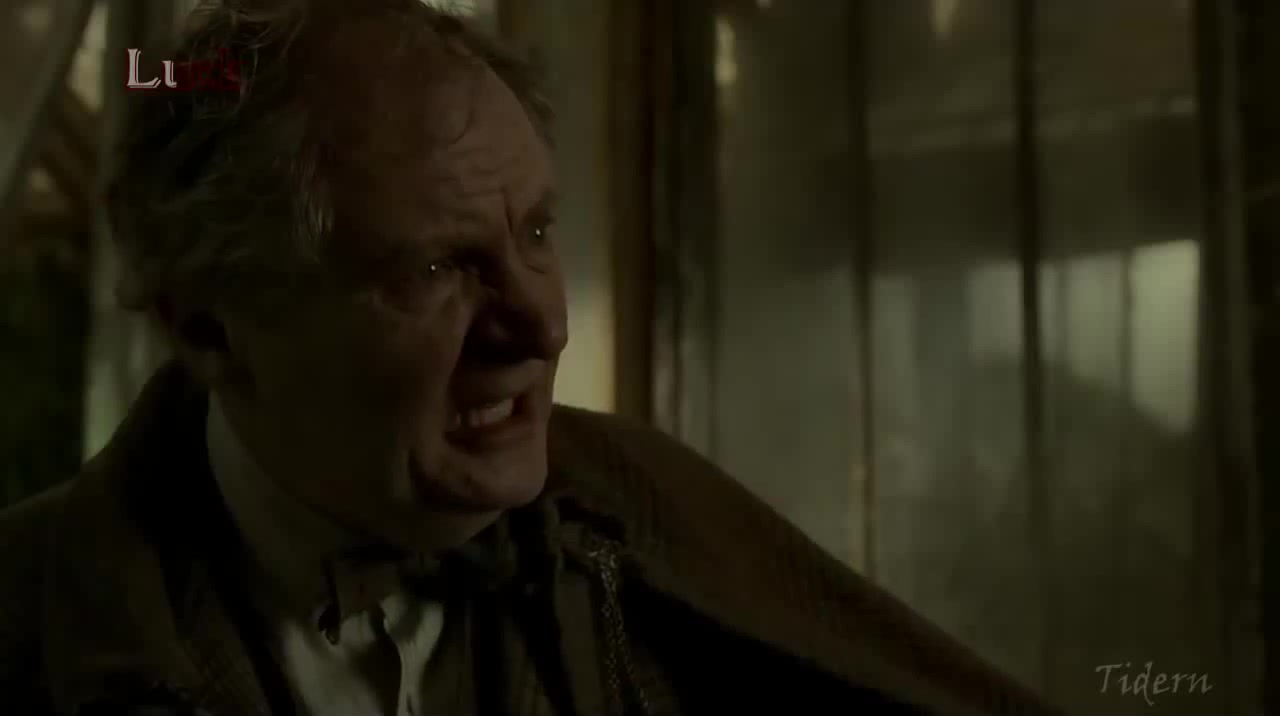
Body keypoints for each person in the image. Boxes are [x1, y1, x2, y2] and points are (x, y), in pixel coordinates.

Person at [0, 1, 1058, 714]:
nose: (540, 327)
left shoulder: (646, 522)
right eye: (435, 268)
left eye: (537, 233)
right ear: (210, 328)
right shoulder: (31, 623)